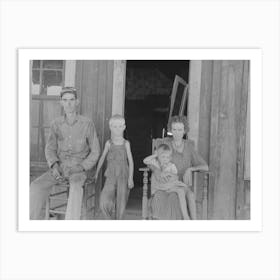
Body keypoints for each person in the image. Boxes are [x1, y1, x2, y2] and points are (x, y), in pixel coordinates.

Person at [30, 87, 100, 220]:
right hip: (60, 168)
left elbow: (95, 151)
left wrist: (80, 167)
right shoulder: (56, 124)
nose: (68, 104)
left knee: (75, 190)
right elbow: (50, 148)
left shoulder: (87, 124)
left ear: (77, 102)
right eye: (65, 100)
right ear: (61, 103)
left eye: (72, 100)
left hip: (78, 170)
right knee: (36, 186)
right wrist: (54, 166)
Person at [150, 115, 208, 220]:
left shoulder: (189, 147)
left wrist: (190, 169)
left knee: (190, 195)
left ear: (185, 130)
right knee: (174, 197)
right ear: (170, 130)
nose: (177, 133)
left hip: (181, 184)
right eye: (174, 129)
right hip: (166, 183)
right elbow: (151, 162)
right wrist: (158, 171)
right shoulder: (165, 143)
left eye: (180, 129)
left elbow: (205, 166)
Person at [94, 114, 134, 219]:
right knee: (104, 201)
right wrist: (97, 172)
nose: (117, 129)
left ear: (124, 127)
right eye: (115, 126)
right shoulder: (108, 143)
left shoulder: (126, 143)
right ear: (110, 127)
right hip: (111, 175)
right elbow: (102, 158)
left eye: (120, 126)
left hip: (123, 176)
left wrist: (130, 179)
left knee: (121, 202)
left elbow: (131, 162)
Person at [143, 143, 190, 219]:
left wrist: (169, 173)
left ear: (170, 158)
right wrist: (155, 155)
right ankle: (185, 216)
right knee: (180, 191)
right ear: (158, 156)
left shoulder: (171, 165)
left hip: (169, 186)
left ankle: (185, 215)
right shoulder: (155, 163)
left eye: (167, 157)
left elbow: (175, 176)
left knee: (181, 191)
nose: (165, 159)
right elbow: (145, 160)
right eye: (163, 156)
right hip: (161, 187)